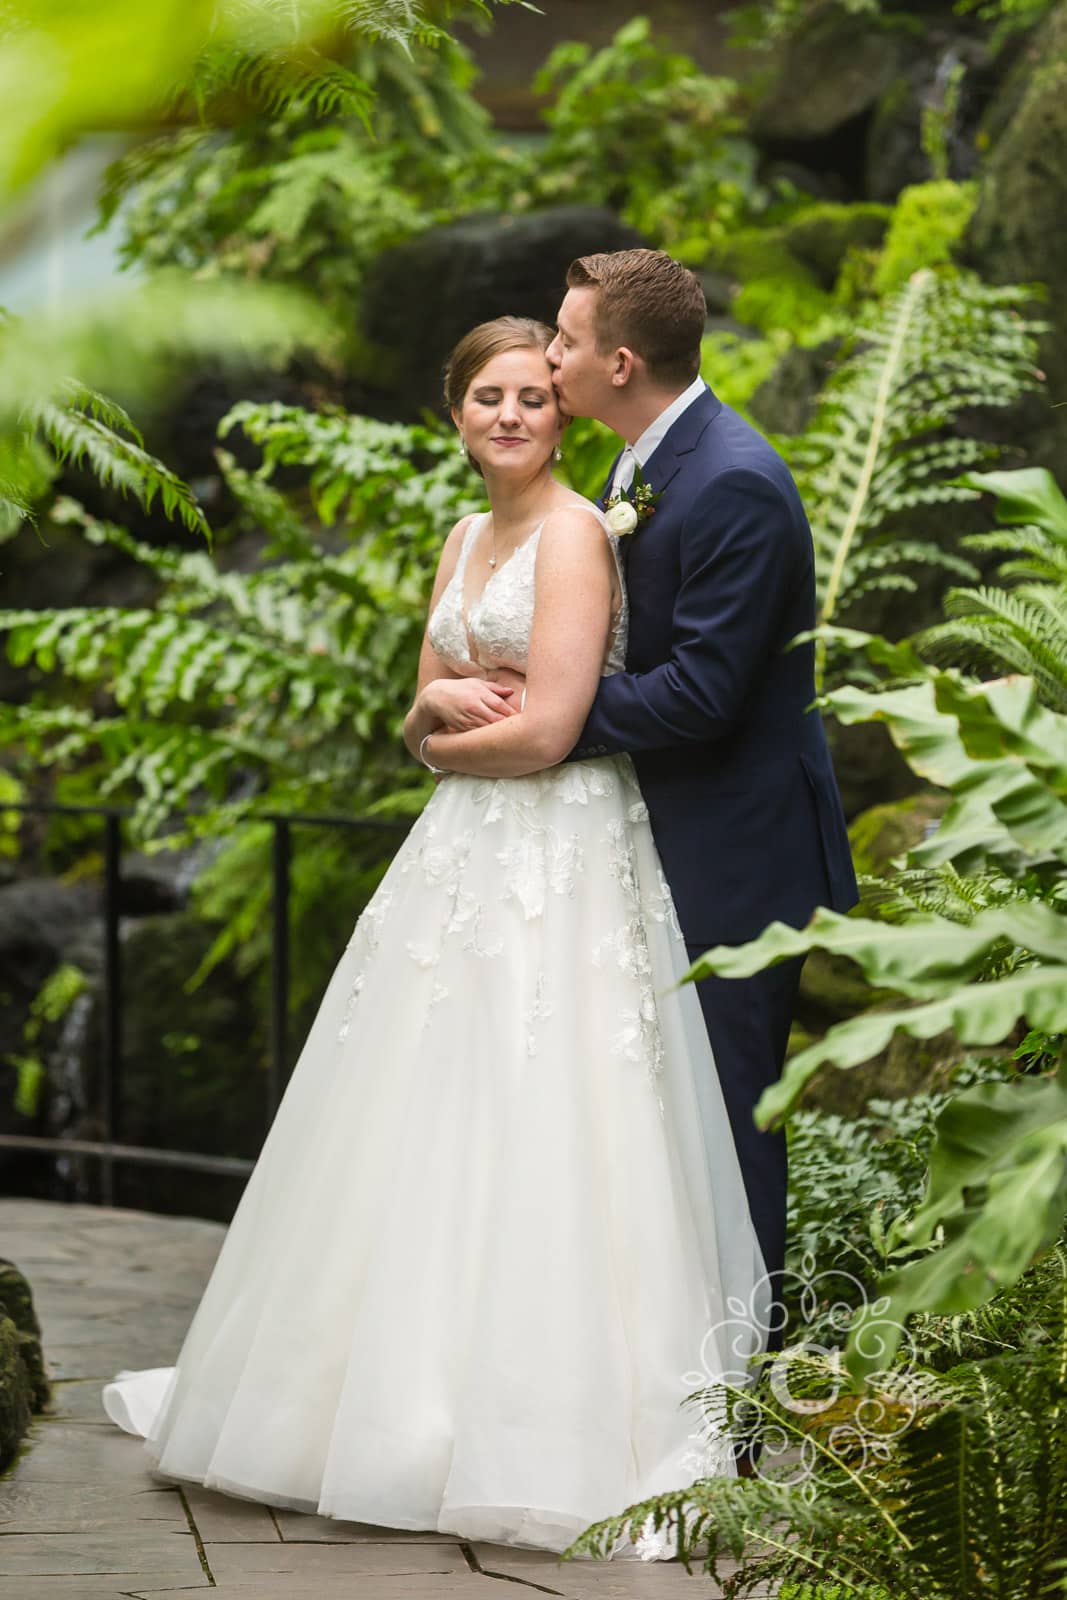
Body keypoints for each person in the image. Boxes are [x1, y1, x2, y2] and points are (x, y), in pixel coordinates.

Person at [101, 315, 767, 1562]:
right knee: (416, 1111)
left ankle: (539, 1429)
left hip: (554, 849)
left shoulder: (575, 537)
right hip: (459, 846)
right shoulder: (464, 535)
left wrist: (447, 744)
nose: (510, 415)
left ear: (560, 413)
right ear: (452, 413)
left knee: (549, 1111)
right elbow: (417, 701)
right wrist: (432, 712)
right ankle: (381, 1411)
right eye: (487, 397)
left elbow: (556, 727)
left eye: (530, 394)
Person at [539, 249, 858, 1329]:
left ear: (620, 362)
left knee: (728, 1121)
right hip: (658, 839)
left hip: (737, 854)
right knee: (658, 1116)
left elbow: (700, 695)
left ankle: (742, 1388)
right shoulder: (638, 463)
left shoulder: (734, 482)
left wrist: (543, 724)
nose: (549, 355)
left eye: (565, 340)